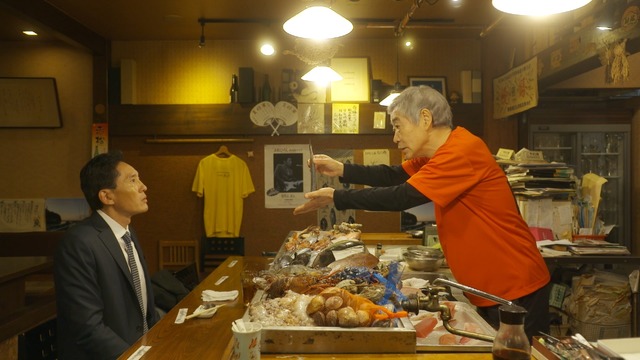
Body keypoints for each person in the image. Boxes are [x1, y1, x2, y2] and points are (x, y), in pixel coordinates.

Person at [293, 86, 551, 340]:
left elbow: (402, 195)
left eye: (397, 125)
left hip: (515, 285)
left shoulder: (462, 150)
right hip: (490, 287)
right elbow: (392, 175)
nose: (395, 137)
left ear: (425, 118)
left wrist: (336, 196)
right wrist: (341, 169)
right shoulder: (435, 156)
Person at [54, 151, 160, 359]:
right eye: (133, 180)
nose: (143, 186)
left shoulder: (128, 234)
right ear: (107, 196)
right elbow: (88, 327)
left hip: (143, 349)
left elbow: (144, 309)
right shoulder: (79, 242)